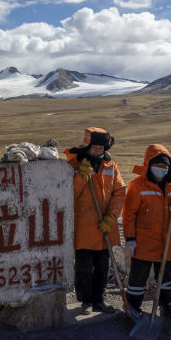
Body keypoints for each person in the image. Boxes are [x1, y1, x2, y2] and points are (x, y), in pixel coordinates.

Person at [66, 127, 126, 314]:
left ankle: (100, 300)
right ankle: (85, 300)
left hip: (104, 225)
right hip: (84, 226)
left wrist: (112, 216)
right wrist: (80, 178)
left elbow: (119, 191)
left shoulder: (111, 166)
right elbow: (68, 195)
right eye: (95, 148)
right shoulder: (75, 165)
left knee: (102, 265)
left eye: (102, 148)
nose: (99, 151)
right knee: (83, 266)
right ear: (87, 147)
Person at [122, 144, 171, 321]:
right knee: (138, 278)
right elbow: (129, 214)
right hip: (144, 241)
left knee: (166, 278)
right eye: (157, 166)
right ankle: (133, 308)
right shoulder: (138, 185)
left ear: (169, 167)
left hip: (168, 240)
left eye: (164, 166)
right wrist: (130, 238)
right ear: (149, 165)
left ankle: (166, 307)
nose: (160, 169)